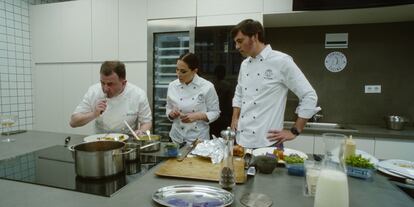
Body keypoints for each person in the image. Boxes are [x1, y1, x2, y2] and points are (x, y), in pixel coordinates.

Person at [230, 19, 321, 148]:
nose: (237, 47)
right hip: (241, 140)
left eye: (240, 41)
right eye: (235, 43)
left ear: (255, 36)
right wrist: (235, 118)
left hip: (268, 143)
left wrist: (295, 130)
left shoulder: (281, 61)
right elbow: (239, 93)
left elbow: (309, 95)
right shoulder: (244, 64)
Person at [70, 60, 152, 135]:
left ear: (123, 83)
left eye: (110, 84)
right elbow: (73, 122)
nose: (105, 89)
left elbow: (146, 122)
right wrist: (94, 114)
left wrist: (142, 131)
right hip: (100, 141)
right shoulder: (94, 92)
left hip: (127, 142)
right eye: (102, 83)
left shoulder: (138, 94)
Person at [166, 53, 220, 144]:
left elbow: (215, 112)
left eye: (183, 71)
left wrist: (198, 116)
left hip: (198, 139)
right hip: (176, 137)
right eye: (177, 70)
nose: (178, 74)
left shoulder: (207, 87)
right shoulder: (172, 86)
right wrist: (171, 114)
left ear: (194, 71)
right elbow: (168, 107)